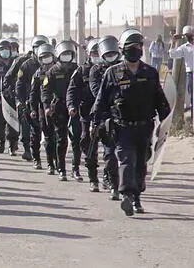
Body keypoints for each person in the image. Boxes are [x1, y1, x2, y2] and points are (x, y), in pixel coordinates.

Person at [92, 29, 170, 216]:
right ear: (123, 49)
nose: (135, 50)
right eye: (131, 47)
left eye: (138, 46)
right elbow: (101, 100)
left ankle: (137, 196)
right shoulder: (113, 73)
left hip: (145, 127)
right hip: (122, 127)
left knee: (141, 164)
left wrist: (166, 122)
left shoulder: (150, 73)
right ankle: (128, 195)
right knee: (126, 160)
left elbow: (160, 100)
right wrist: (96, 122)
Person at [41, 40, 81, 182]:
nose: (67, 57)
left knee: (77, 139)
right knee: (61, 139)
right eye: (64, 54)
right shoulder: (52, 71)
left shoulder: (77, 69)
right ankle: (61, 169)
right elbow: (45, 91)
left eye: (69, 54)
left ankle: (75, 169)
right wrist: (46, 107)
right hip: (58, 107)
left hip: (75, 108)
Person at [89, 35, 122, 200]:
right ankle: (114, 186)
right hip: (105, 118)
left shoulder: (125, 68)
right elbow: (97, 93)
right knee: (109, 154)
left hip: (125, 118)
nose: (111, 56)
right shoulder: (96, 71)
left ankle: (130, 186)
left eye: (113, 52)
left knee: (131, 155)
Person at [6, 35, 48, 161]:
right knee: (26, 124)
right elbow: (14, 80)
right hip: (27, 100)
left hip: (44, 101)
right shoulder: (24, 64)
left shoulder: (52, 65)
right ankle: (27, 149)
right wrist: (19, 99)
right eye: (37, 48)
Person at [66, 38, 100, 192]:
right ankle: (91, 176)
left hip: (107, 114)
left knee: (110, 150)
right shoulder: (81, 70)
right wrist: (71, 105)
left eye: (99, 52)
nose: (97, 55)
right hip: (86, 113)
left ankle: (109, 177)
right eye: (94, 52)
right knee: (86, 142)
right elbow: (72, 90)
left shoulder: (112, 69)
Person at [28, 43, 56, 171]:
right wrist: (33, 109)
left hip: (57, 107)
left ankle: (55, 162)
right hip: (42, 109)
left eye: (48, 56)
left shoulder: (58, 70)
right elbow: (33, 93)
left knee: (56, 137)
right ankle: (38, 159)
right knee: (38, 135)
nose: (47, 59)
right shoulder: (38, 74)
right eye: (44, 57)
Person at [169, 26, 194, 109]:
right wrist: (173, 42)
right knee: (192, 98)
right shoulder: (184, 47)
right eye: (187, 35)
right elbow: (172, 54)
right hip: (190, 74)